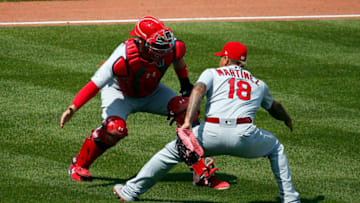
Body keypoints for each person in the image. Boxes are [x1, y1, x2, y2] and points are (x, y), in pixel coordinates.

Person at [113, 41, 301, 203]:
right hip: (245, 136)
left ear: (226, 59)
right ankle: (290, 198)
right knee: (275, 147)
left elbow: (198, 91)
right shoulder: (258, 83)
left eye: (222, 57)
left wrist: (187, 121)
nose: (220, 60)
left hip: (209, 133)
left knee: (169, 153)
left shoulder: (213, 73)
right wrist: (287, 118)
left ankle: (131, 191)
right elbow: (274, 107)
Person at [60, 16, 195, 182]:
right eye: (157, 45)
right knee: (114, 129)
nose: (163, 49)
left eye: (164, 44)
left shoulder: (173, 48)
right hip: (119, 93)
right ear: (141, 41)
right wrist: (72, 108)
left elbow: (178, 60)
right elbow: (94, 85)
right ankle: (79, 164)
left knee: (186, 110)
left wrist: (185, 84)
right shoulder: (122, 56)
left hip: (153, 92)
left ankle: (197, 163)